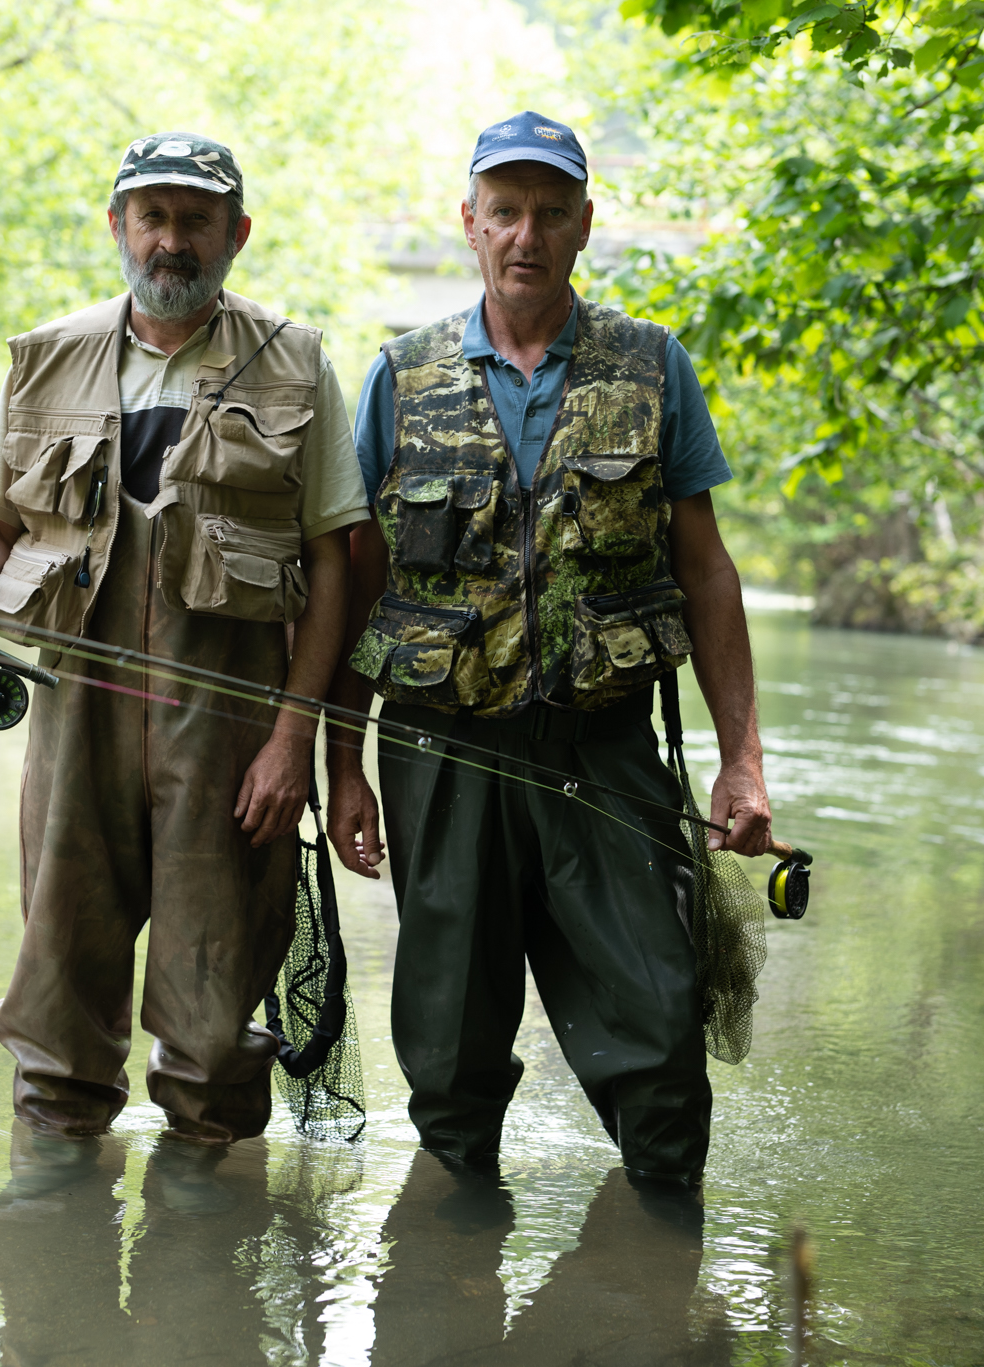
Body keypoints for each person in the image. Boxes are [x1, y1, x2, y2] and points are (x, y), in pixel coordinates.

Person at [0, 132, 370, 1151]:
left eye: (196, 220)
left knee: (213, 1036)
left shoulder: (296, 363)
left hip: (231, 741)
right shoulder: (46, 359)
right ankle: (54, 1215)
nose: (171, 240)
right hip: (76, 731)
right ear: (117, 226)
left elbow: (336, 565)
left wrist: (294, 740)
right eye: (152, 216)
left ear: (237, 233)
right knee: (55, 1016)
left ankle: (205, 1222)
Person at [326, 112, 774, 1188]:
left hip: (605, 747)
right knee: (450, 1049)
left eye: (549, 211)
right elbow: (357, 582)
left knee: (659, 1033)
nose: (525, 234)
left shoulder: (652, 366)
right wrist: (341, 765)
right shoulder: (400, 376)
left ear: (583, 224)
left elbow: (707, 571)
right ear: (469, 223)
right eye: (505, 211)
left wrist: (743, 760)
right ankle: (452, 1252)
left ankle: (658, 1247)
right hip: (439, 751)